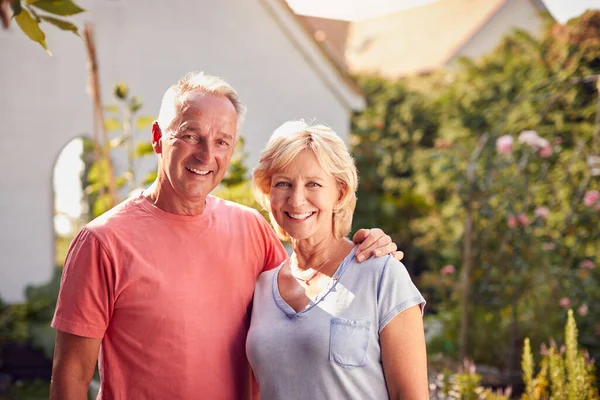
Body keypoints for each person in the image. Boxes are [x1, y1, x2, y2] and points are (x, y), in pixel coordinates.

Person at [49, 72, 402, 400]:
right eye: (190, 136)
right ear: (157, 138)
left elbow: (307, 298)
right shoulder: (103, 242)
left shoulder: (250, 229)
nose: (206, 154)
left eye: (222, 141)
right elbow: (72, 376)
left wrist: (369, 248)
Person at [247, 121, 428, 399]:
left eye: (313, 184)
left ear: (340, 193)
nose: (296, 200)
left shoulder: (381, 275)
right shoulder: (261, 286)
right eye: (283, 183)